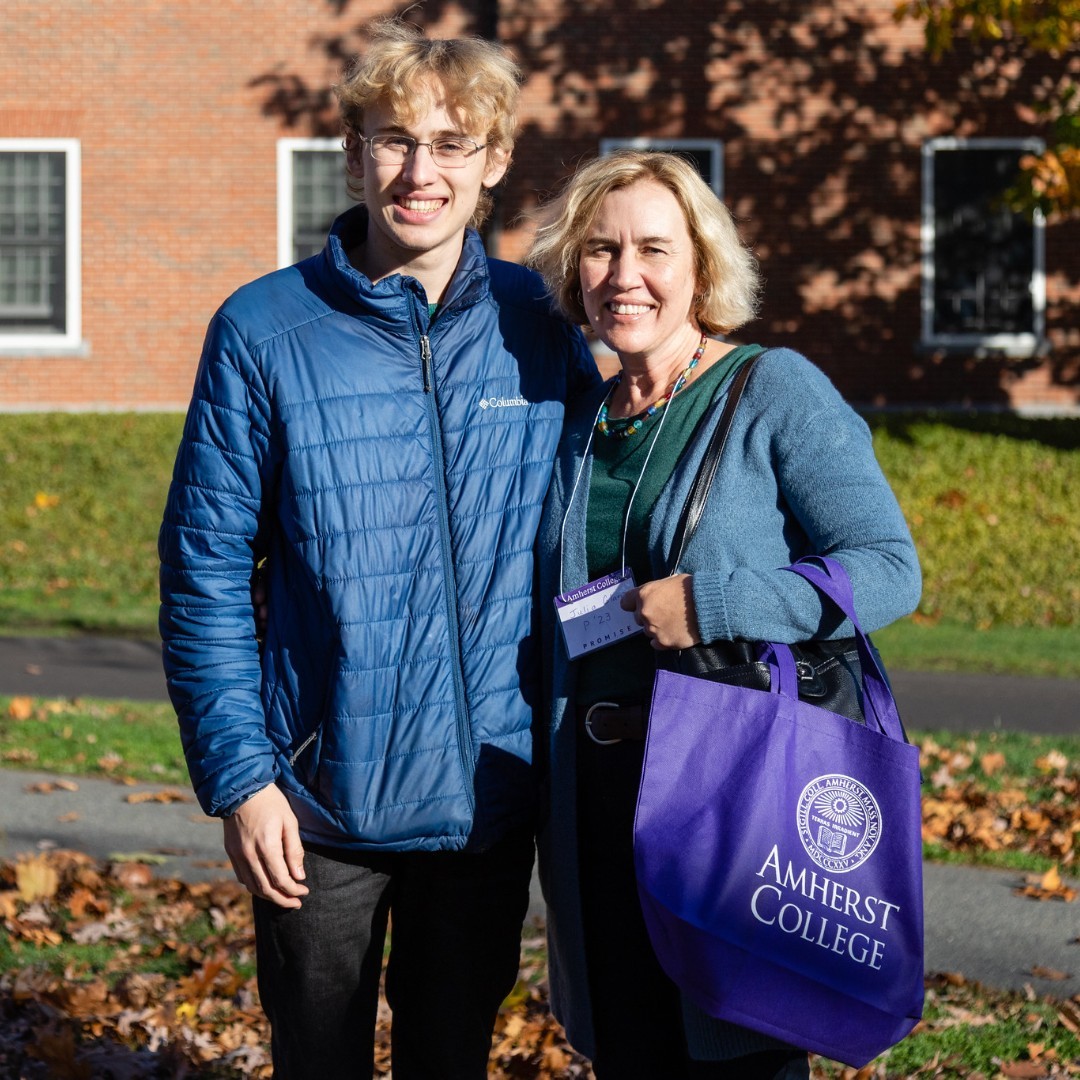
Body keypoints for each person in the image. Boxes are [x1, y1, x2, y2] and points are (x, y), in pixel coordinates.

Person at [158, 19, 598, 1080]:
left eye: (452, 144)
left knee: (452, 1060)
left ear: (492, 164)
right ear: (352, 155)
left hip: (490, 801)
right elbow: (204, 571)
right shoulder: (263, 330)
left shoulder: (543, 325)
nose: (420, 170)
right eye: (394, 140)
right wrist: (241, 780)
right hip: (317, 810)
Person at [525, 150, 921, 1079]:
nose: (624, 275)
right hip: (593, 800)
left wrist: (715, 602)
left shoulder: (772, 389)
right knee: (629, 1049)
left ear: (701, 266)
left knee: (738, 1053)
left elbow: (890, 571)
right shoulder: (582, 417)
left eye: (653, 249)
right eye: (599, 249)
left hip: (732, 793)